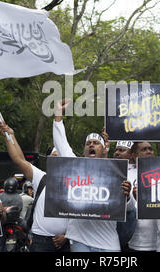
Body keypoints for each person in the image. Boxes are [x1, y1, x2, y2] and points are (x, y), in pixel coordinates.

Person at [53, 98, 133, 252]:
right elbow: (61, 143)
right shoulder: (74, 166)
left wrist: (128, 195)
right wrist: (58, 115)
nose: (91, 144)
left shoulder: (115, 172)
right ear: (84, 150)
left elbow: (130, 207)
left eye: (96, 143)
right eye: (88, 143)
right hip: (79, 240)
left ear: (104, 150)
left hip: (108, 243)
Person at [0, 121, 70, 252]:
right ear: (48, 160)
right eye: (53, 157)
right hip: (40, 241)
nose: (56, 160)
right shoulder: (41, 177)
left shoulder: (77, 182)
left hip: (65, 242)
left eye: (60, 157)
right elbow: (18, 159)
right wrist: (10, 136)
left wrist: (67, 236)